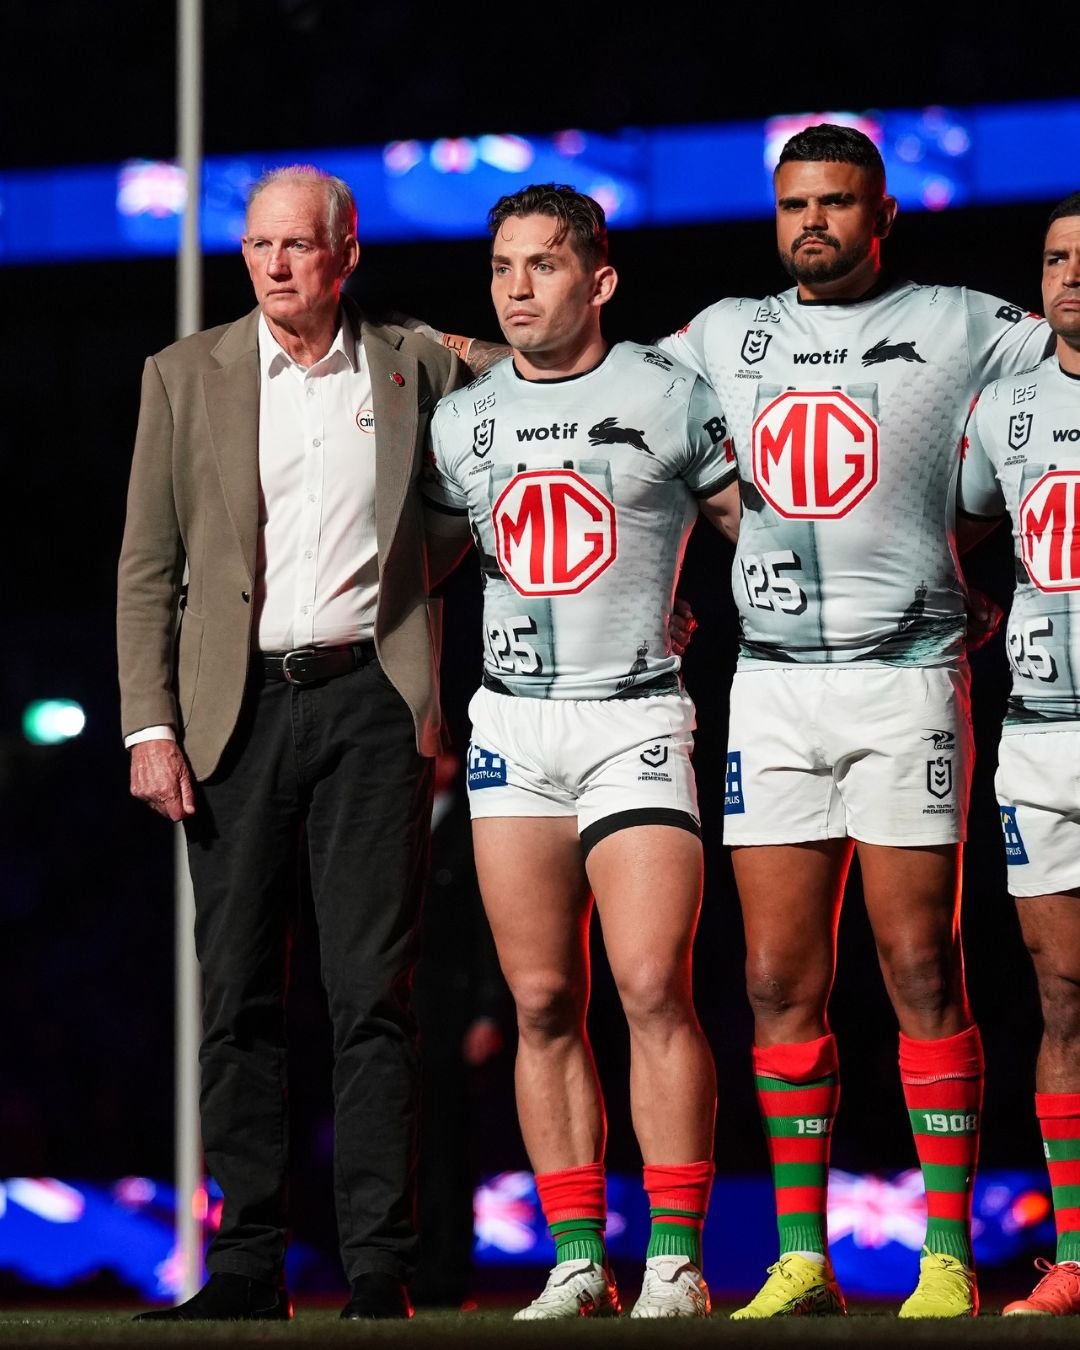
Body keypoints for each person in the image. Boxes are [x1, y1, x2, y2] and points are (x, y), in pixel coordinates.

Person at [656, 124, 1052, 1319]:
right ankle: (799, 1258)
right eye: (795, 206)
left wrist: (954, 556)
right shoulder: (725, 334)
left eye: (835, 203)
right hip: (771, 687)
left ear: (884, 217)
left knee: (921, 962)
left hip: (908, 678)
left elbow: (1048, 408)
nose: (812, 223)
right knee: (777, 977)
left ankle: (944, 1258)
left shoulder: (969, 320)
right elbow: (610, 407)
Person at [116, 165, 463, 1321]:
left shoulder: (413, 361)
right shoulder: (184, 374)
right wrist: (149, 724)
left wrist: (419, 579)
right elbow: (145, 569)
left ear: (345, 252)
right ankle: (249, 1262)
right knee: (238, 999)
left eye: (296, 245)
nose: (272, 264)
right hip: (233, 715)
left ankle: (377, 1265)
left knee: (373, 995)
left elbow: (529, 391)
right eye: (259, 245)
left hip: (370, 700)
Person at [420, 183, 740, 1319]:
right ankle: (573, 1259)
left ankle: (675, 1261)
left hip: (636, 715)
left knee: (652, 983)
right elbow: (430, 568)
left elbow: (753, 528)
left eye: (543, 265)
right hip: (512, 721)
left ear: (598, 281)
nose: (516, 287)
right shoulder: (461, 422)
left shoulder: (669, 392)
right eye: (503, 267)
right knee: (544, 998)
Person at [957, 192, 1080, 1317]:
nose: (1071, 276)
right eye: (1054, 259)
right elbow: (950, 531)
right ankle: (1078, 1257)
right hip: (1042, 736)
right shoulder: (1008, 408)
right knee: (1062, 992)